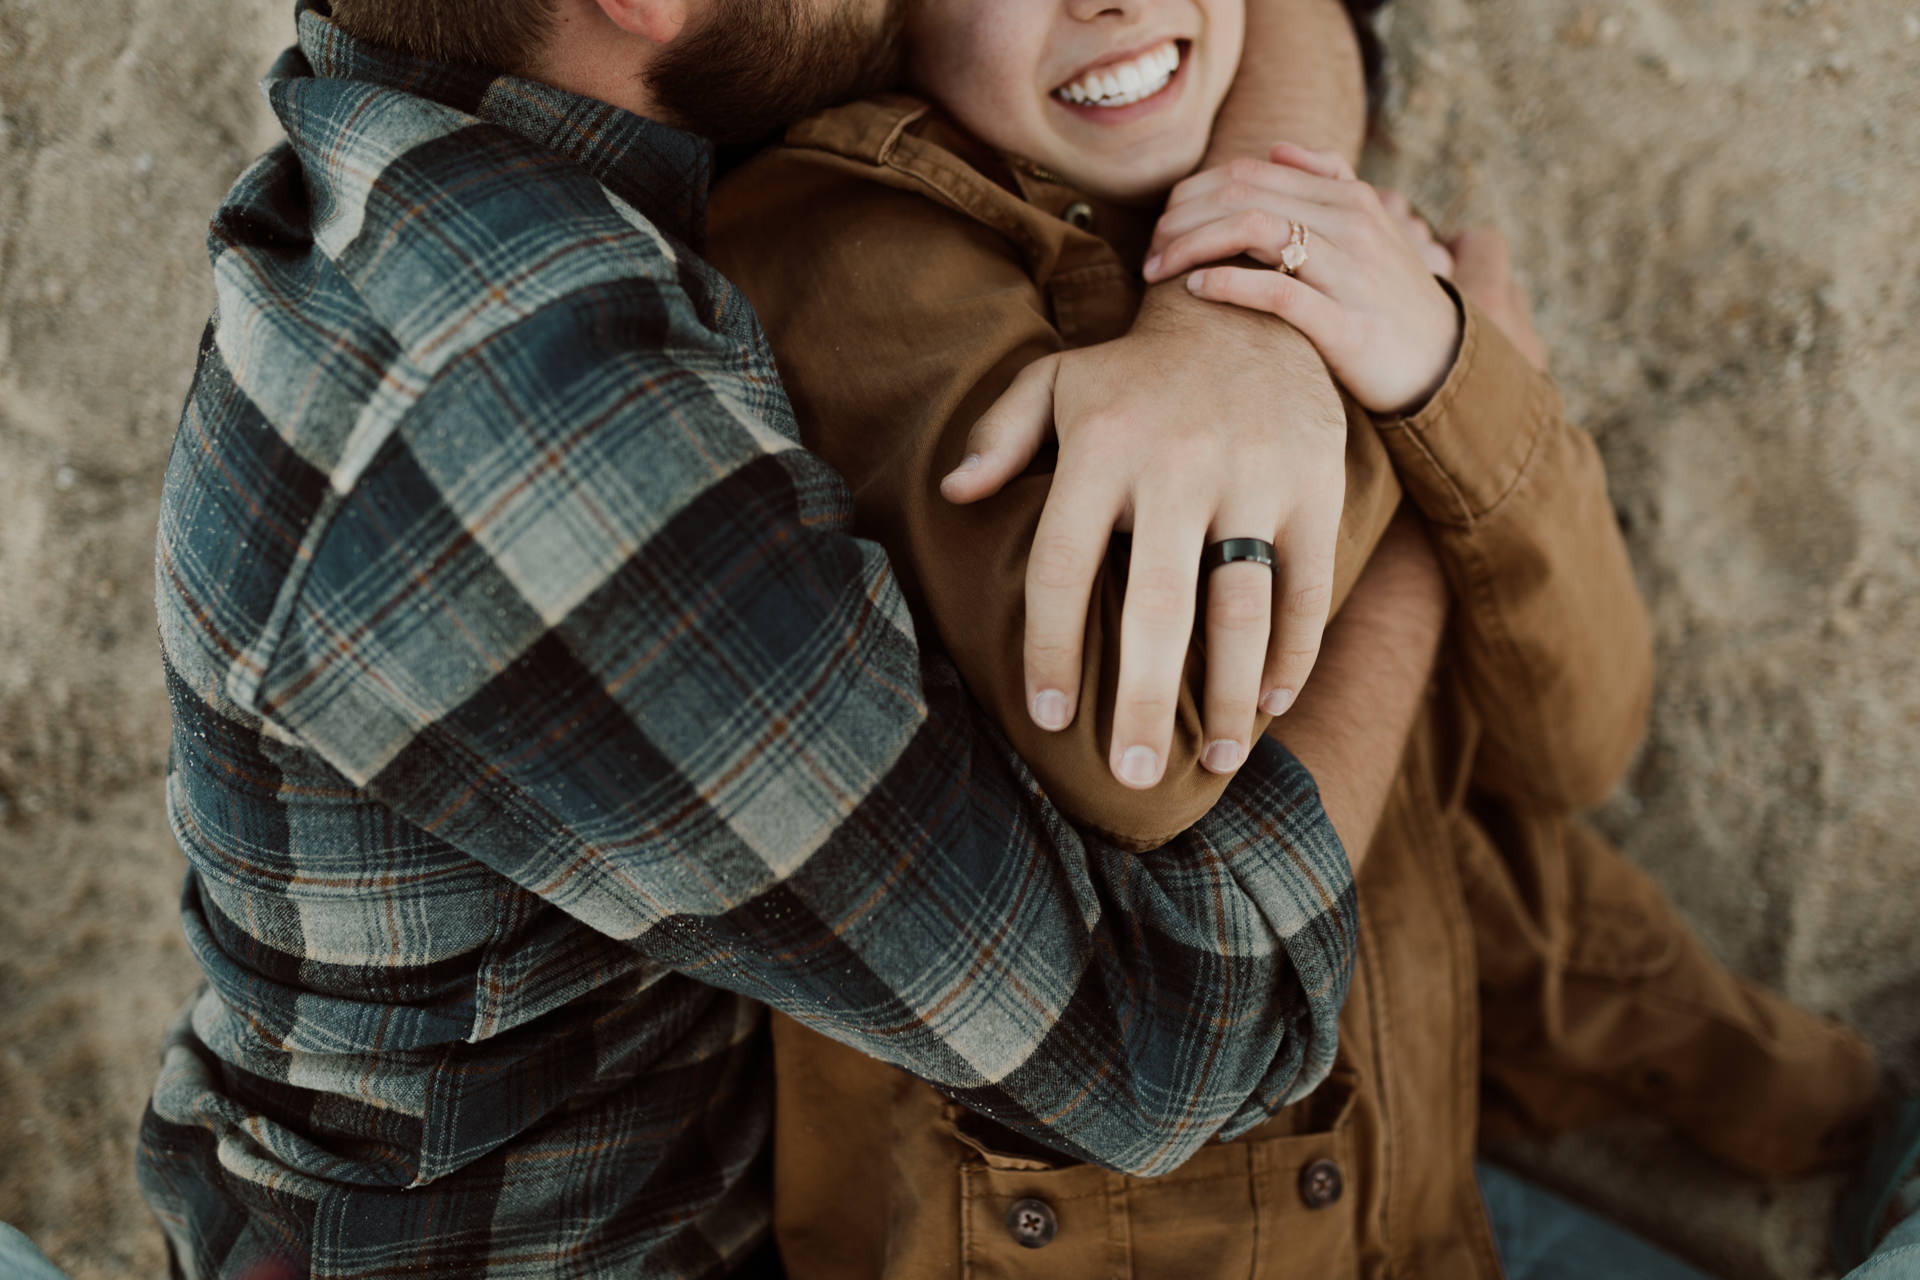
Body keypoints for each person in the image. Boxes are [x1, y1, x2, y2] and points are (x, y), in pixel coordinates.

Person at [135, 0, 1440, 1276]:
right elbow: (1175, 1037)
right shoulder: (529, 415)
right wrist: (1436, 503)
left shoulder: (646, 72)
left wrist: (1237, 326)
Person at [700, 0, 1892, 1275]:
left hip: (1418, 1203)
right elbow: (1136, 755)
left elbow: (1577, 749)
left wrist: (1433, 361)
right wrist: (1420, 410)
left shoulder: (1312, 222)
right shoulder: (841, 238)